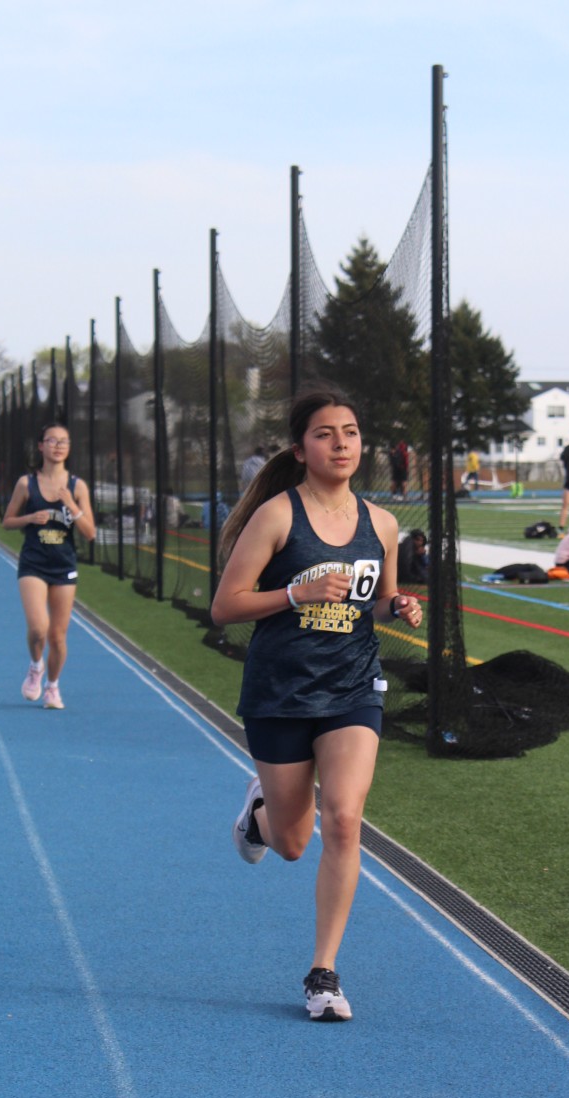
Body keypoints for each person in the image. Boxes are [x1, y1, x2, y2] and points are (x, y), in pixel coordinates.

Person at [210, 388, 423, 1023]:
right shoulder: (277, 516)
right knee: (293, 843)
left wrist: (398, 606)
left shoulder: (382, 524)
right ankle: (259, 817)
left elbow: (376, 602)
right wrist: (294, 594)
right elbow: (225, 607)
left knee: (345, 819)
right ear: (301, 449)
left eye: (350, 432)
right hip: (280, 690)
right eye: (325, 434)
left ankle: (323, 973)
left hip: (353, 687)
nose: (340, 444)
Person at [1, 422, 97, 709]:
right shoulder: (26, 483)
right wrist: (30, 519)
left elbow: (90, 533)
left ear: (69, 448)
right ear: (41, 446)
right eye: (52, 440)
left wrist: (72, 506)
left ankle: (52, 688)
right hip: (33, 563)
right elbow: (7, 521)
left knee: (57, 636)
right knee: (38, 629)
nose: (58, 446)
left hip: (63, 565)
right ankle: (35, 667)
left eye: (63, 441)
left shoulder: (77, 486)